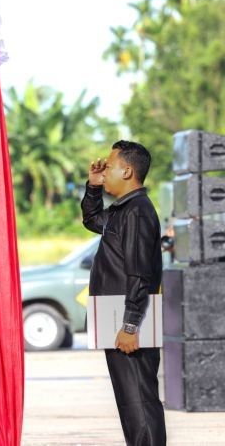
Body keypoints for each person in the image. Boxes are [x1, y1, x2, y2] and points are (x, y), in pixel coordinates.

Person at [81, 140, 166, 445]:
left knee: (140, 402)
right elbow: (92, 220)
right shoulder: (123, 209)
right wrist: (92, 188)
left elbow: (141, 272)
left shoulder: (138, 212)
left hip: (128, 325)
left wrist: (130, 325)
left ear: (128, 170)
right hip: (118, 322)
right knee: (130, 404)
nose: (105, 171)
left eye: (111, 165)